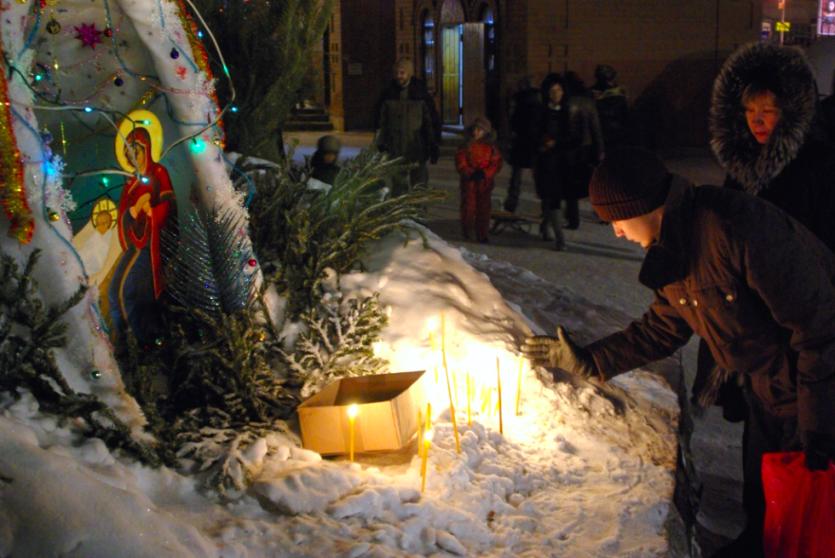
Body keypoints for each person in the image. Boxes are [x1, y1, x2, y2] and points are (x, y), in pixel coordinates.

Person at [523, 147, 835, 558]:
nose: (615, 232)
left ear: (641, 206)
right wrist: (590, 360)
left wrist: (817, 428)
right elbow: (662, 328)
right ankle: (760, 540)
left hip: (814, 384)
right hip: (765, 385)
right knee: (766, 491)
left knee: (810, 502)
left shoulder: (734, 229)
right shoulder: (674, 244)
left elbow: (819, 329)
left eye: (615, 219)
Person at [109, 127, 176, 344]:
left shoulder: (158, 173)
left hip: (151, 245)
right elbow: (124, 216)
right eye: (129, 156)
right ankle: (129, 339)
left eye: (135, 153)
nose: (132, 159)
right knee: (117, 290)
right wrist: (134, 210)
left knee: (130, 291)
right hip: (135, 245)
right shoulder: (130, 185)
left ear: (146, 149)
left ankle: (139, 341)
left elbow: (168, 204)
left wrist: (151, 211)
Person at [374, 58, 442, 196]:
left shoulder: (421, 95)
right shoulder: (388, 94)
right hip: (395, 148)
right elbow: (380, 122)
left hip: (417, 148)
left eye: (402, 72)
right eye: (397, 72)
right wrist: (380, 142)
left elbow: (431, 122)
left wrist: (433, 144)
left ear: (409, 73)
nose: (399, 76)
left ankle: (418, 215)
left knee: (419, 185)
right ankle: (400, 215)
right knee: (398, 185)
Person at [533, 73, 573, 250]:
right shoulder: (541, 112)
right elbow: (533, 133)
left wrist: (558, 143)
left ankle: (545, 226)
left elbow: (573, 136)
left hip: (563, 162)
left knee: (553, 198)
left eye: (558, 90)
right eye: (552, 91)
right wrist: (542, 143)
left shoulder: (568, 112)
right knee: (552, 197)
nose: (556, 94)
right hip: (546, 162)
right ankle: (560, 238)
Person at [562, 71, 605, 230]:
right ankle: (602, 213)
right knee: (592, 183)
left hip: (571, 150)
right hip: (588, 149)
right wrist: (600, 149)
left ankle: (572, 219)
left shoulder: (566, 103)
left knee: (571, 185)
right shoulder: (588, 103)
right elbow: (596, 129)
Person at [455, 116, 502, 243]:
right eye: (475, 129)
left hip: (484, 182)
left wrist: (484, 173)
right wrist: (469, 173)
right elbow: (461, 162)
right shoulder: (466, 146)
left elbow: (495, 164)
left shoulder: (491, 148)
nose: (476, 132)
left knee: (484, 208)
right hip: (469, 181)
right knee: (468, 207)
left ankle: (482, 233)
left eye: (480, 130)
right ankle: (468, 232)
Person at [503, 77, 542, 213]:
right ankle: (545, 205)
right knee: (538, 175)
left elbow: (512, 120)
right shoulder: (539, 99)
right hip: (535, 142)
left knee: (516, 175)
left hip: (521, 141)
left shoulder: (517, 99)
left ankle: (512, 202)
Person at [591, 64, 630, 151]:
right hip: (607, 133)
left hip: (610, 134)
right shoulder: (618, 95)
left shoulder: (618, 95)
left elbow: (625, 116)